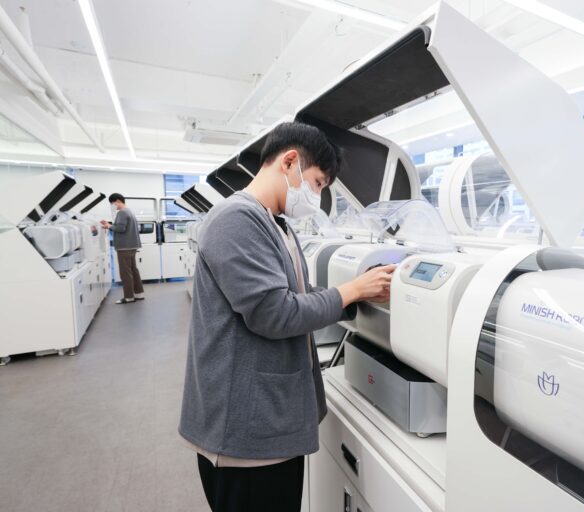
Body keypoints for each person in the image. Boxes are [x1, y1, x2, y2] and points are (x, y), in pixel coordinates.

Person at [178, 122, 394, 512]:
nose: (317, 196)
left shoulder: (275, 224)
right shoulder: (236, 220)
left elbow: (295, 293)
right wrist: (351, 291)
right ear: (290, 161)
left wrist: (355, 295)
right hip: (244, 433)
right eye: (317, 183)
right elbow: (273, 313)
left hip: (267, 424)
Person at [100, 193, 144, 304]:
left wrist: (109, 226)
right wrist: (110, 224)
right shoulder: (129, 211)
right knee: (133, 270)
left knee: (126, 273)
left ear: (118, 201)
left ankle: (129, 297)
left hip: (124, 247)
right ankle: (138, 294)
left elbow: (120, 228)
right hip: (132, 245)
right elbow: (122, 225)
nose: (113, 206)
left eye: (113, 203)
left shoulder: (122, 212)